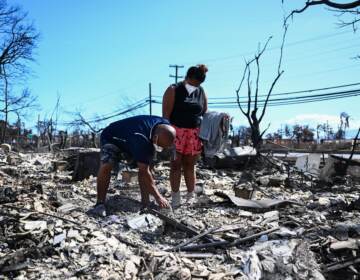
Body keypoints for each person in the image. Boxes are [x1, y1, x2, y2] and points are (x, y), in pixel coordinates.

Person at [90, 115, 176, 217]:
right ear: (155, 138)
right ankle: (100, 204)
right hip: (112, 137)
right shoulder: (141, 139)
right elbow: (144, 171)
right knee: (107, 164)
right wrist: (158, 197)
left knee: (148, 164)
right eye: (160, 145)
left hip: (131, 137)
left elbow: (145, 169)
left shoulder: (166, 126)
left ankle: (145, 202)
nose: (161, 148)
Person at [162, 65, 208, 208]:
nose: (196, 86)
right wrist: (167, 137)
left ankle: (190, 196)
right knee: (176, 165)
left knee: (190, 165)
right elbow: (165, 116)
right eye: (194, 83)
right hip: (176, 132)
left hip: (194, 133)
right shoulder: (173, 89)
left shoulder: (201, 91)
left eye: (198, 84)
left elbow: (204, 111)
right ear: (187, 78)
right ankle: (175, 197)